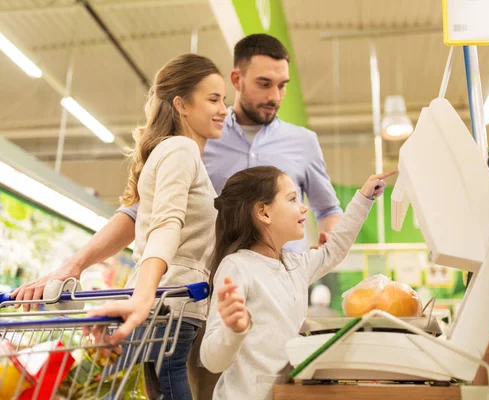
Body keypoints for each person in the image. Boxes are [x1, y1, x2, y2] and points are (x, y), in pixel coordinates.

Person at [11, 33, 342, 399]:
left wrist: (324, 243)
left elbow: (328, 209)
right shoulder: (197, 142)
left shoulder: (302, 142)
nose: (275, 96)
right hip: (202, 302)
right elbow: (153, 219)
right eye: (264, 83)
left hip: (273, 308)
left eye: (282, 85)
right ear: (237, 80)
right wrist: (79, 266)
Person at [22, 54, 227, 400]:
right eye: (213, 99)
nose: (224, 108)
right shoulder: (181, 149)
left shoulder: (177, 153)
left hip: (170, 305)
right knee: (127, 385)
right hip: (167, 304)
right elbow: (166, 223)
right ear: (181, 105)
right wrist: (145, 295)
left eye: (224, 99)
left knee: (125, 386)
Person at [200, 166, 396, 400]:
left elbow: (334, 250)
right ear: (264, 213)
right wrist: (233, 331)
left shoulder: (295, 265)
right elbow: (212, 361)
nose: (303, 207)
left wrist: (363, 199)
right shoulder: (237, 267)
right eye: (292, 199)